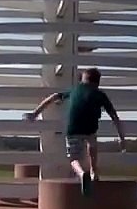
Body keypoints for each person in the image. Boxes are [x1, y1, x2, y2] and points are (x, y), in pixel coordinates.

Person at [25, 67, 126, 196]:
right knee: (92, 143)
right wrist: (122, 138)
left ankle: (81, 173)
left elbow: (53, 97)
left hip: (74, 128)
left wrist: (35, 113)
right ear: (97, 83)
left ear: (82, 80)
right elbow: (114, 117)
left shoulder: (74, 90)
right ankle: (94, 172)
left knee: (73, 158)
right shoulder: (100, 94)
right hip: (90, 127)